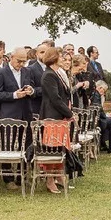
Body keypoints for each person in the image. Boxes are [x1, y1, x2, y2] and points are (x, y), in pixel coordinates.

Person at [39, 47, 74, 193]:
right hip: (52, 116)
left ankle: (58, 175)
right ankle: (49, 180)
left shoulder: (56, 73)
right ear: (53, 58)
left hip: (59, 117)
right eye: (60, 56)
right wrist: (69, 113)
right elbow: (55, 98)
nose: (63, 59)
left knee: (59, 147)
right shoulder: (48, 75)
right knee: (51, 148)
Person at [91, 81, 111, 154]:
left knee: (109, 121)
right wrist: (107, 116)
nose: (104, 93)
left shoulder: (93, 94)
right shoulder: (96, 95)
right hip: (96, 121)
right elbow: (98, 110)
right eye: (104, 91)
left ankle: (103, 144)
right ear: (100, 88)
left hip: (95, 119)